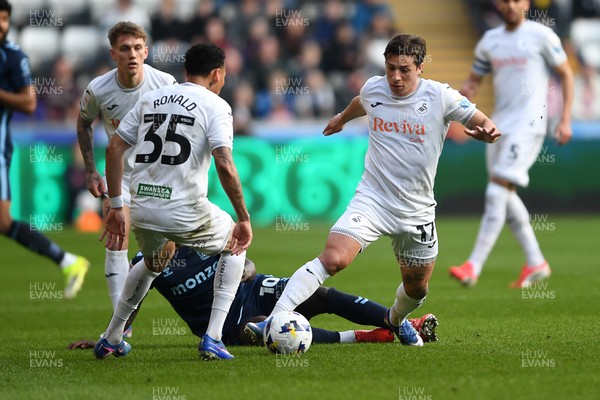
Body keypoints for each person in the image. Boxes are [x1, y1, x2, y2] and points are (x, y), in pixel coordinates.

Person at [247, 34, 501, 347]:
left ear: (420, 68)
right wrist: (341, 119)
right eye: (390, 67)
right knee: (333, 258)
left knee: (417, 289)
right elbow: (361, 103)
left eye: (404, 69)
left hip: (416, 211)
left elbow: (479, 118)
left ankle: (395, 321)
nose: (395, 76)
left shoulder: (440, 96)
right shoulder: (374, 88)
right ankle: (276, 319)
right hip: (373, 199)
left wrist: (488, 129)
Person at [95, 42, 252, 361]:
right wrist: (243, 217)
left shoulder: (150, 98)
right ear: (217, 74)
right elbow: (224, 162)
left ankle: (112, 337)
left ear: (185, 71)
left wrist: (115, 205)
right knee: (236, 241)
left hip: (142, 207)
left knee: (154, 262)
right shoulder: (216, 105)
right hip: (184, 209)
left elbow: (113, 148)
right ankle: (214, 337)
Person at [67, 248, 439, 351]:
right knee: (273, 334)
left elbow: (244, 257)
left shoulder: (202, 229)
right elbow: (133, 299)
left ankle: (397, 322)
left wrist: (246, 267)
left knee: (320, 294)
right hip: (225, 323)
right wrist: (114, 337)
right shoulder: (148, 262)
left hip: (253, 289)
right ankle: (365, 336)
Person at [449, 0, 573, 288]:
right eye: (504, 1)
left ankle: (473, 266)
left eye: (515, 0)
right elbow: (473, 82)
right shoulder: (490, 41)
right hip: (499, 125)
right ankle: (535, 261)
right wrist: (464, 95)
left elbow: (566, 74)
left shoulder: (542, 36)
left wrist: (564, 119)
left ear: (526, 3)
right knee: (504, 193)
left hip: (530, 124)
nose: (509, 5)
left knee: (496, 191)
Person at [76, 21, 177, 332]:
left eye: (137, 48)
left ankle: (127, 313)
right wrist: (91, 170)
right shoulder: (98, 89)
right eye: (124, 49)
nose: (132, 54)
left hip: (160, 180)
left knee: (164, 254)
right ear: (113, 54)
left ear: (146, 52)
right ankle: (120, 329)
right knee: (116, 240)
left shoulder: (166, 84)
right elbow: (83, 124)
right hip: (121, 177)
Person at [0, 0, 89, 299]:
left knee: (3, 221)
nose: (1, 24)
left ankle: (68, 261)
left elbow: (28, 102)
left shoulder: (13, 57)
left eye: (4, 19)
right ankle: (67, 261)